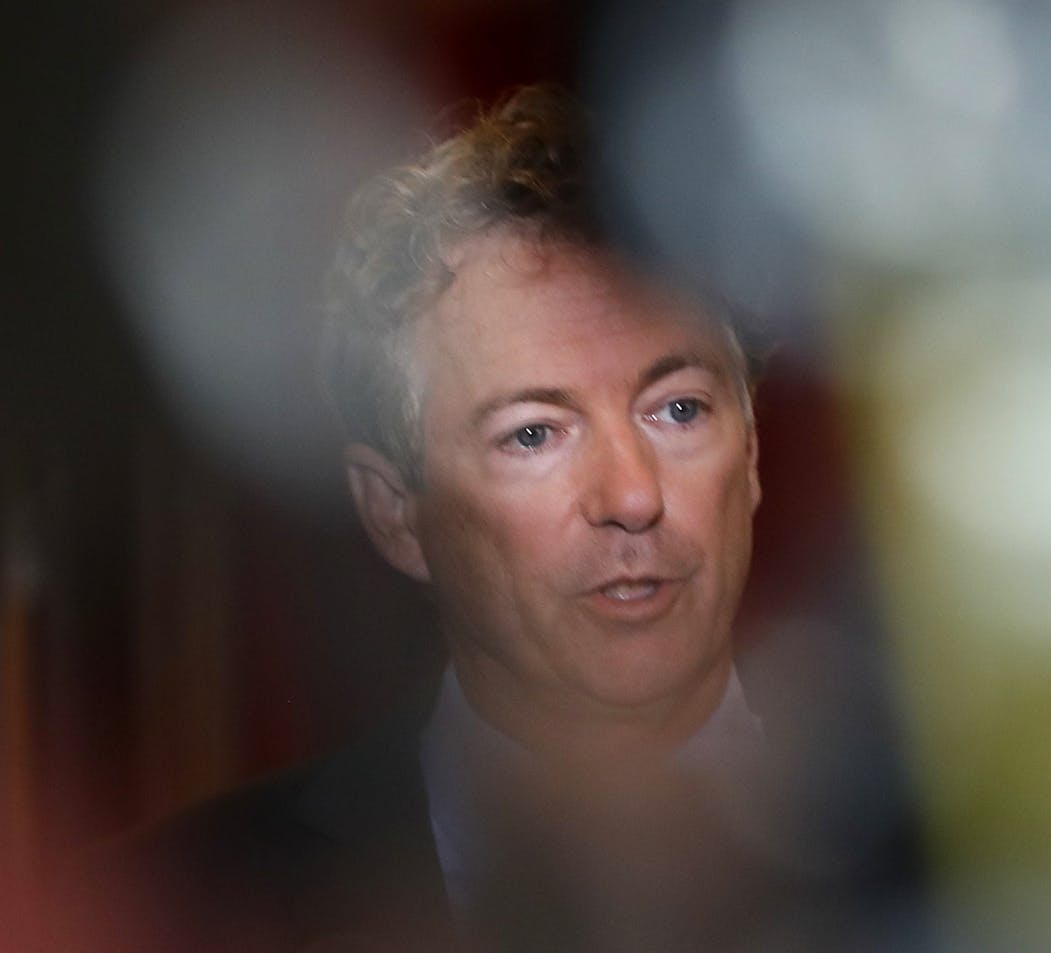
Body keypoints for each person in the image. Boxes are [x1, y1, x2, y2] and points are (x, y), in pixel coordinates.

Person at [79, 86, 816, 953]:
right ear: (394, 513)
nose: (632, 495)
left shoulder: (959, 848)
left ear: (755, 451)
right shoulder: (176, 911)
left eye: (679, 410)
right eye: (534, 432)